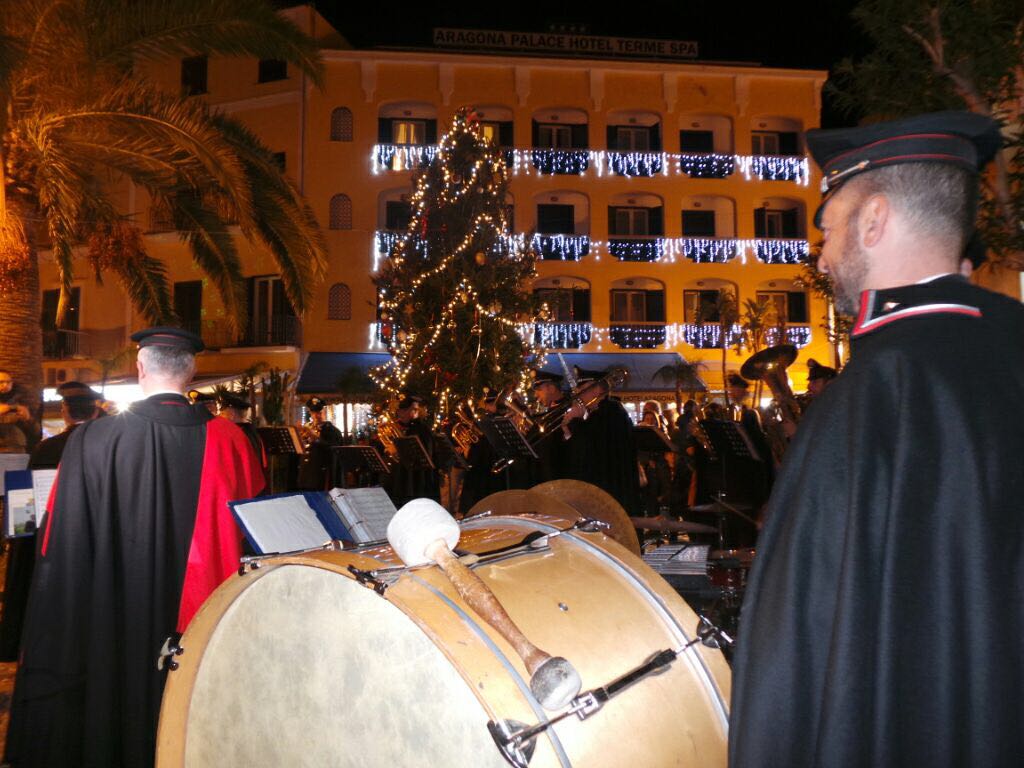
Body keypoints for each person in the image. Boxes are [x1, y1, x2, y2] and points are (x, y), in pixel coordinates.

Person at [729, 112, 1024, 767]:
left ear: (874, 221)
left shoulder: (878, 387)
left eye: (828, 229)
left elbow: (794, 656)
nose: (822, 254)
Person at [5, 326, 265, 768]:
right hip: (203, 616)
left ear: (141, 368)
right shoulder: (234, 440)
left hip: (114, 616)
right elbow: (255, 529)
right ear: (192, 371)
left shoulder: (94, 439)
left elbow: (60, 539)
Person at [0, 383, 102, 662]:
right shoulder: (105, 446)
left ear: (66, 412)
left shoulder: (46, 449)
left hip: (47, 540)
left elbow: (23, 515)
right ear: (95, 412)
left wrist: (18, 536)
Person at [561, 368, 641, 516]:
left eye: (583, 389)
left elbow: (594, 446)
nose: (579, 395)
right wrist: (567, 431)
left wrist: (576, 421)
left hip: (612, 489)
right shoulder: (595, 414)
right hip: (599, 488)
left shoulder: (611, 411)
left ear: (597, 389)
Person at [296, 396, 344, 490]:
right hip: (305, 474)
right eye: (313, 412)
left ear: (324, 413)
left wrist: (316, 439)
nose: (316, 416)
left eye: (319, 412)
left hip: (321, 475)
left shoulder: (331, 430)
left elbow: (334, 450)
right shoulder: (307, 427)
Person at [0, 369, 32, 453]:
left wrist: (26, 418)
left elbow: (28, 421)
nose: (5, 385)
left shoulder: (20, 397)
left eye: (8, 382)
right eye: (1, 382)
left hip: (15, 443)